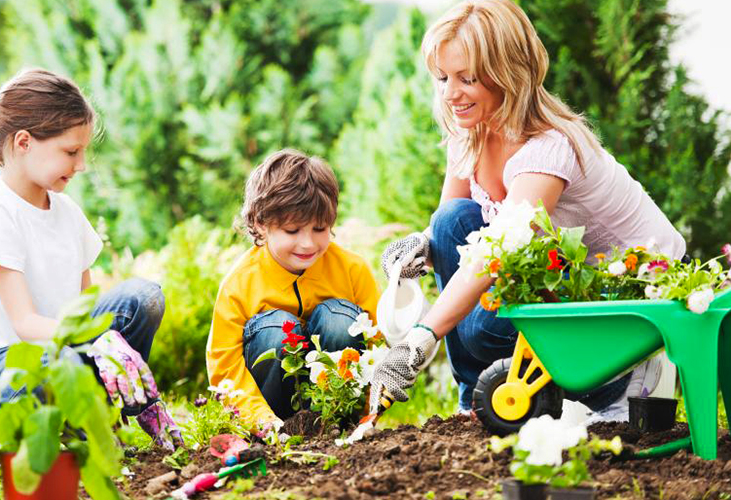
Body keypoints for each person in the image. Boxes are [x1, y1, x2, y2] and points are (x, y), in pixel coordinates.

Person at [370, 0, 685, 422]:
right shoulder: (471, 131)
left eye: (467, 78)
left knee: (482, 327)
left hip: (623, 305)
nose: (449, 93)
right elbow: (451, 224)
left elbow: (497, 249)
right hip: (559, 280)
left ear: (508, 74)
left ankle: (615, 380)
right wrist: (420, 247)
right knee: (450, 224)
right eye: (443, 77)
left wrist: (420, 340)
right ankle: (474, 400)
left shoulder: (549, 148)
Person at [0, 68, 182, 467]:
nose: (81, 164)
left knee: (143, 298)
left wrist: (111, 347)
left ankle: (98, 416)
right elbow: (25, 323)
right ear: (24, 142)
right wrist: (97, 340)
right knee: (61, 361)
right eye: (71, 152)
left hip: (62, 351)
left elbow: (85, 305)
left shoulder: (67, 212)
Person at [207, 149, 381, 426]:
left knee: (340, 321)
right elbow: (225, 367)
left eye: (319, 229)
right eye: (292, 231)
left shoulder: (352, 270)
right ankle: (281, 427)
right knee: (275, 329)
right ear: (261, 224)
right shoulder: (239, 283)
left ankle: (336, 424)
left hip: (337, 402)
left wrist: (369, 415)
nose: (308, 244)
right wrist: (262, 422)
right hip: (271, 416)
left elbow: (378, 345)